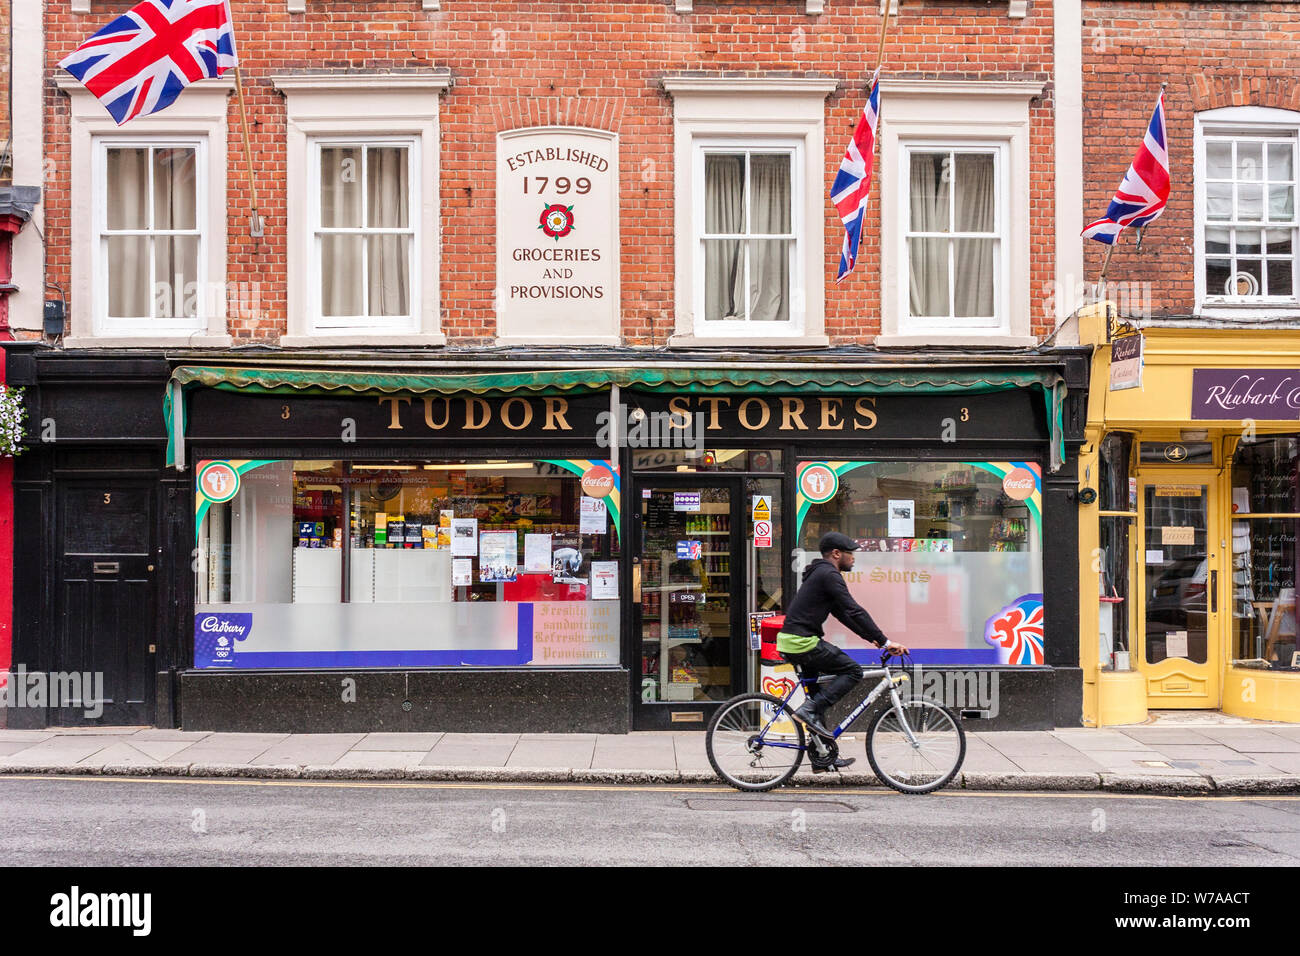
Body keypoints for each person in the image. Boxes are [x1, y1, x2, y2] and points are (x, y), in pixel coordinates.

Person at [777, 532, 909, 771]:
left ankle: (821, 756)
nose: (854, 559)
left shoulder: (822, 575)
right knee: (852, 671)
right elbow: (855, 610)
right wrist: (886, 640)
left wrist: (874, 640)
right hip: (801, 642)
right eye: (851, 553)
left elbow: (845, 615)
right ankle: (808, 712)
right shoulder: (829, 575)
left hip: (795, 640)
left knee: (816, 698)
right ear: (836, 554)